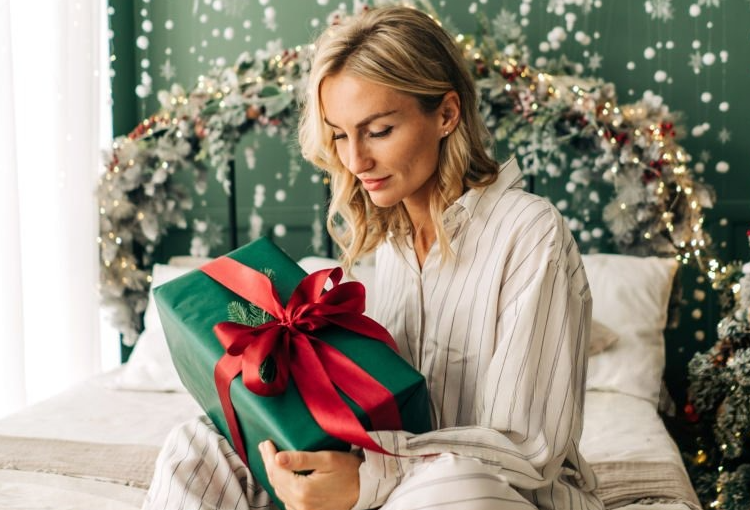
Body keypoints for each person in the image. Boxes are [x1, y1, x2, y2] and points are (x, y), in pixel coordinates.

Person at [142, 6, 603, 510]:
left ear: (447, 114)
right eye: (340, 134)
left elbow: (528, 449)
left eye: (379, 130)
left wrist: (370, 474)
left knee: (456, 490)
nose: (355, 161)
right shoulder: (392, 244)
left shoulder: (530, 232)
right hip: (394, 478)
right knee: (198, 442)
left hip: (495, 493)